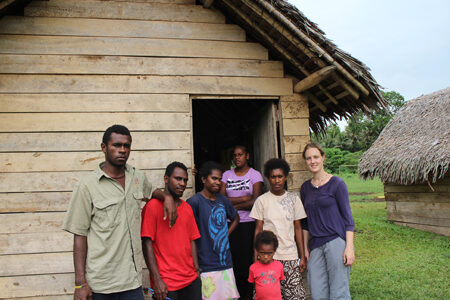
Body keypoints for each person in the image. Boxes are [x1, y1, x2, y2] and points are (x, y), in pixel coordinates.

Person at [62, 124, 178, 300]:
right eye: (116, 145)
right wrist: (80, 284)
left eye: (127, 145)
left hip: (133, 281)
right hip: (102, 284)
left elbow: (151, 190)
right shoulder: (87, 186)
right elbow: (79, 235)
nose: (122, 150)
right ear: (104, 148)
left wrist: (166, 197)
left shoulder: (137, 177)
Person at [300, 143, 355, 300]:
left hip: (336, 241)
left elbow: (348, 219)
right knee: (317, 290)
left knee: (339, 290)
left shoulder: (337, 184)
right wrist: (305, 249)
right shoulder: (305, 188)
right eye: (309, 158)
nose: (313, 161)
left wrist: (349, 248)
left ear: (323, 157)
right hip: (315, 244)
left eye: (316, 157)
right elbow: (305, 223)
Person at [141, 161, 201, 300]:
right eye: (178, 178)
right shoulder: (152, 207)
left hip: (191, 281)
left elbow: (192, 240)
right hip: (166, 284)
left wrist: (196, 271)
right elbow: (147, 244)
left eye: (185, 180)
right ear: (166, 179)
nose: (183, 184)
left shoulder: (187, 208)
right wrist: (156, 280)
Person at [250, 158, 307, 300]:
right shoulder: (262, 201)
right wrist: (256, 254)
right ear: (268, 178)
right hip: (268, 257)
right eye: (273, 177)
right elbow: (258, 229)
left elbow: (298, 229)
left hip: (290, 256)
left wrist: (302, 255)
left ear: (285, 177)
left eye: (280, 176)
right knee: (267, 296)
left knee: (294, 296)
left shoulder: (294, 200)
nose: (277, 180)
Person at [187, 161, 240, 300]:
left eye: (220, 179)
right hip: (206, 264)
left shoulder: (223, 200)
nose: (218, 182)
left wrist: (225, 234)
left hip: (225, 263)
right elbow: (187, 233)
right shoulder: (194, 202)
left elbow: (236, 218)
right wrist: (195, 266)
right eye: (214, 178)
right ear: (204, 179)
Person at [220, 145, 263, 299]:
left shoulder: (255, 175)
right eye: (234, 155)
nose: (237, 158)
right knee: (233, 263)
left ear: (247, 156)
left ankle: (246, 295)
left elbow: (255, 202)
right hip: (230, 224)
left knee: (246, 264)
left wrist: (232, 204)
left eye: (240, 154)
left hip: (248, 224)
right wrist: (244, 199)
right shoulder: (226, 174)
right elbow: (221, 200)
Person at [248, 230, 284, 300]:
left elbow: (281, 281)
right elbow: (251, 285)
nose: (266, 256)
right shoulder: (253, 268)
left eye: (269, 253)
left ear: (274, 251)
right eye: (262, 253)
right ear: (257, 251)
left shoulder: (279, 266)